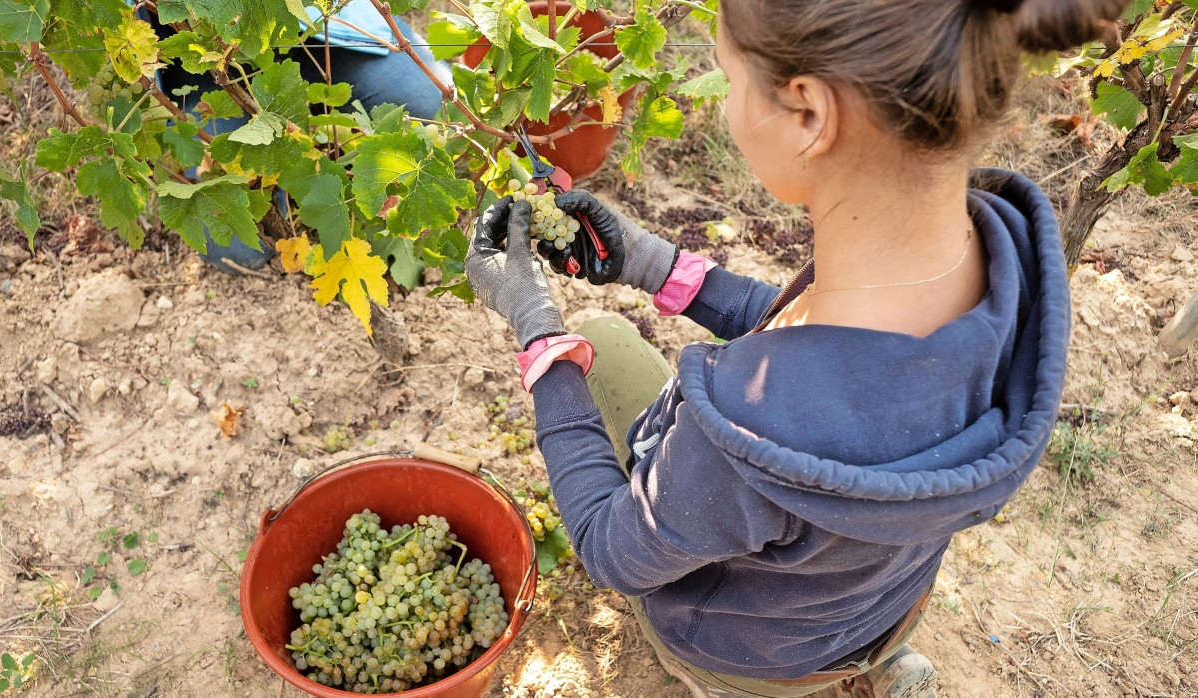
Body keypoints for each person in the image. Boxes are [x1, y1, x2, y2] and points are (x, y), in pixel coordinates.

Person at [464, 0, 1126, 696]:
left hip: (746, 654)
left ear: (808, 112)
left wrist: (537, 328)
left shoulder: (741, 441)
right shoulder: (1002, 262)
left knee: (597, 340)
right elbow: (815, 343)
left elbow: (608, 549)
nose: (724, 109)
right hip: (877, 604)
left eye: (727, 78)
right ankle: (869, 662)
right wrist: (658, 266)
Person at [142, 1, 451, 272]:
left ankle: (312, 106)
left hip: (319, 26)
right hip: (202, 58)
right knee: (235, 251)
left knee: (435, 109)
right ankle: (299, 116)